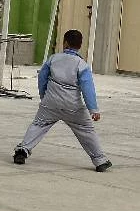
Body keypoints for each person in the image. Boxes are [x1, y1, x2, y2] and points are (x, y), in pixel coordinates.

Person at [13, 29, 112, 171]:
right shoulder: (81, 64)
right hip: (73, 107)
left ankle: (22, 151)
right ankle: (100, 161)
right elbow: (87, 88)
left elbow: (42, 78)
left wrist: (44, 96)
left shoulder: (53, 59)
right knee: (86, 130)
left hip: (50, 103)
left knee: (38, 125)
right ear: (80, 45)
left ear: (65, 43)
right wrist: (93, 109)